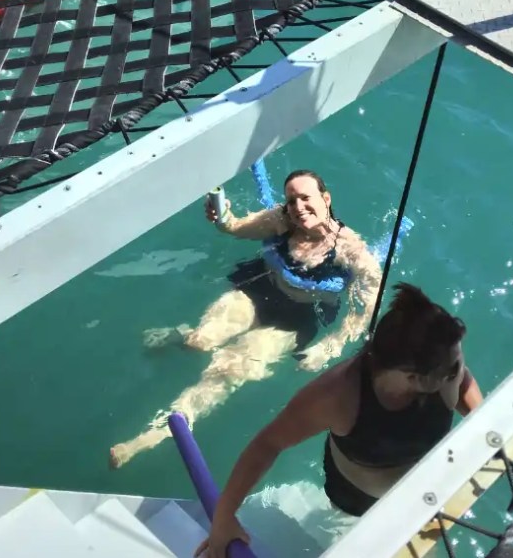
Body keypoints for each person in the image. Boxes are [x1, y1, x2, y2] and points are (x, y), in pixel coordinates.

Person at [109, 170, 384, 469]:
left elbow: (367, 305)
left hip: (295, 319)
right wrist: (221, 217)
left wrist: (331, 347)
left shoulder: (349, 249)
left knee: (229, 369)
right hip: (258, 290)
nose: (298, 207)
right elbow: (235, 227)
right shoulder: (280, 222)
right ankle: (183, 335)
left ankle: (158, 432)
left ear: (326, 198)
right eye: (292, 200)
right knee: (201, 342)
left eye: (306, 198)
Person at [194, 283, 483, 558]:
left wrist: (483, 421)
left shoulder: (445, 363)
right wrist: (223, 518)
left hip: (424, 490)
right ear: (413, 377)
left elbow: (463, 384)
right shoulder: (337, 396)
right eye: (453, 368)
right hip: (356, 497)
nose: (459, 370)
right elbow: (267, 443)